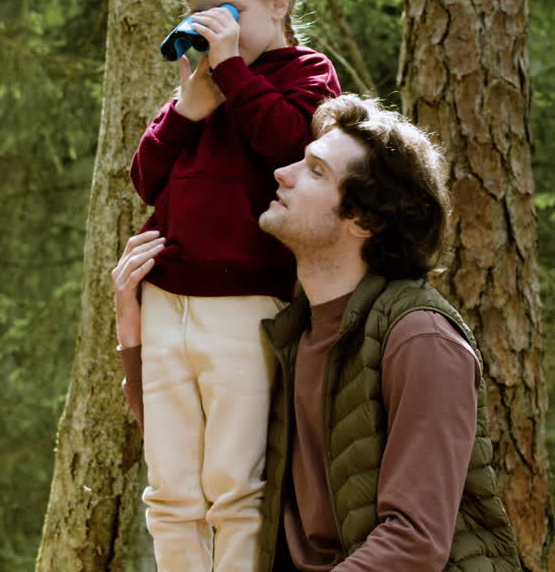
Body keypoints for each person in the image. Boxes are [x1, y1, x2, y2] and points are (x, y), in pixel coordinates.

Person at [116, 95, 521, 572]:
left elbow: (413, 543)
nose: (282, 173)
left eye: (315, 171)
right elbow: (193, 449)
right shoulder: (290, 332)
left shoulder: (420, 340)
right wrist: (132, 334)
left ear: (364, 220)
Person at [127, 0, 342, 572]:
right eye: (202, 15)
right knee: (170, 489)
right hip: (166, 298)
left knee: (233, 485)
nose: (214, 28)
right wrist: (185, 109)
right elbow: (145, 178)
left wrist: (230, 72)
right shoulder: (202, 84)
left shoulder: (307, 72)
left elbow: (288, 145)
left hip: (247, 303)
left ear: (278, 3)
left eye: (230, 12)